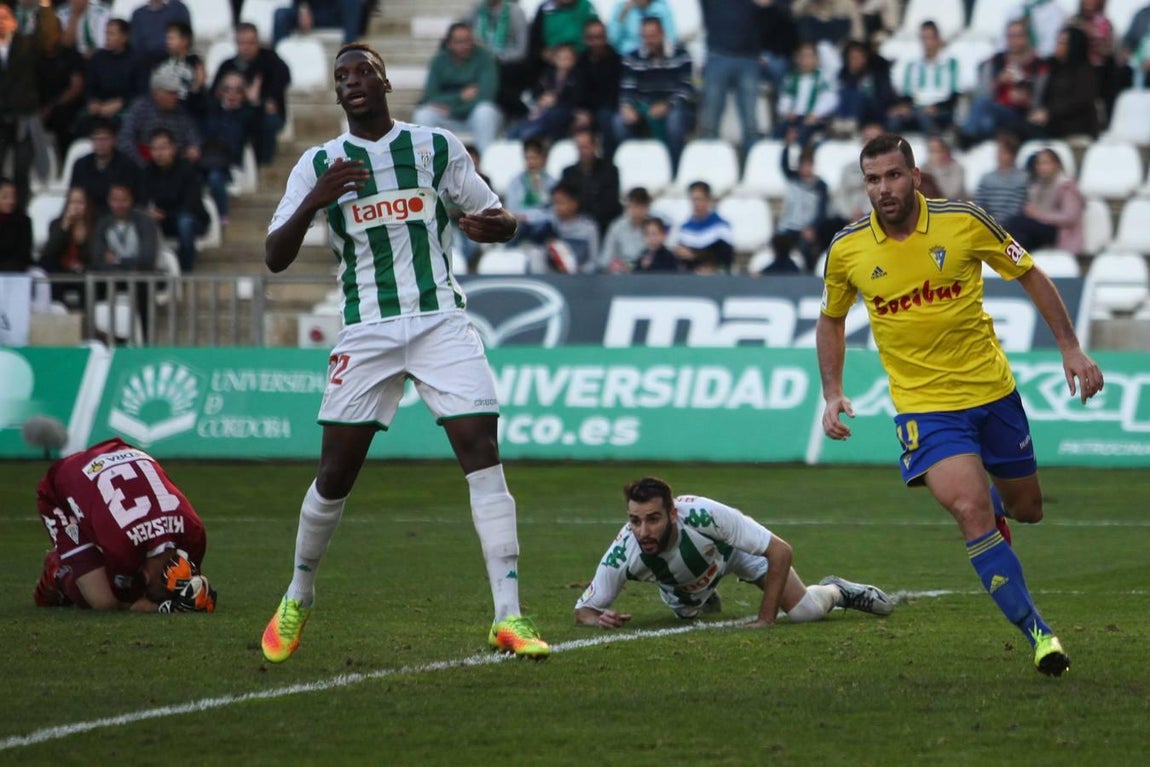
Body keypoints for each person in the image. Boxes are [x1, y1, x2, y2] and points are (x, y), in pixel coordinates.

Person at [261, 42, 549, 662]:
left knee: (483, 453)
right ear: (337, 93)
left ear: (385, 81)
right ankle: (298, 595)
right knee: (335, 474)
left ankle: (509, 615)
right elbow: (274, 256)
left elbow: (493, 215)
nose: (352, 81)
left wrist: (504, 227)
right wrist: (316, 201)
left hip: (440, 320)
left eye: (362, 70)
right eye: (342, 76)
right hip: (366, 330)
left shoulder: (436, 147)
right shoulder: (317, 164)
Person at [816, 132, 1105, 676]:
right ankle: (1040, 635)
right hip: (925, 410)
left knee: (1026, 510)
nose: (883, 189)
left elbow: (1030, 273)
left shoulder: (964, 220)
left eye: (893, 176)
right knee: (970, 512)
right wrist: (832, 391)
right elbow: (831, 318)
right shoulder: (848, 248)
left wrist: (1070, 346)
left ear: (916, 177)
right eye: (872, 179)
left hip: (992, 394)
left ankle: (997, 502)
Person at [574, 477, 894, 628]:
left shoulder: (704, 515)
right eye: (635, 521)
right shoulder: (624, 550)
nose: (643, 531)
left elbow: (780, 551)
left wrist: (766, 619)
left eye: (653, 519)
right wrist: (600, 619)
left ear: (672, 514)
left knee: (806, 613)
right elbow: (584, 610)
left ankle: (836, 590)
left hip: (734, 554)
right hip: (683, 589)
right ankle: (705, 595)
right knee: (687, 615)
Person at [32, 435, 216, 613]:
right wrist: (163, 607)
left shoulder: (194, 534)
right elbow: (130, 603)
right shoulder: (125, 549)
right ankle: (57, 570)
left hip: (122, 457)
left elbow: (184, 583)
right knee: (104, 600)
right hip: (62, 486)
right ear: (143, 575)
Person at [613, 16, 695, 172]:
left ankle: (674, 169)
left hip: (674, 107)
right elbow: (627, 89)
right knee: (619, 121)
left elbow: (686, 90)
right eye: (645, 37)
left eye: (653, 36)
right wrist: (627, 106)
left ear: (662, 33)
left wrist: (667, 105)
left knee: (675, 120)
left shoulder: (681, 56)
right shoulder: (632, 58)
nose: (649, 41)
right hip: (644, 107)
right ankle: (631, 168)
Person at [209, 22, 292, 166]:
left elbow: (283, 80)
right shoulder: (228, 65)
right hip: (233, 115)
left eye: (250, 43)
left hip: (262, 115)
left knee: (267, 121)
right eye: (242, 43)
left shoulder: (271, 61)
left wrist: (262, 100)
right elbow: (214, 93)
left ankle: (264, 165)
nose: (246, 47)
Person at [411, 22, 502, 153]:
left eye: (468, 41)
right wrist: (460, 97)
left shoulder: (485, 58)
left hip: (473, 116)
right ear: (449, 43)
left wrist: (452, 108)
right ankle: (429, 164)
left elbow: (486, 95)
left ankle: (485, 165)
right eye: (459, 42)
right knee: (423, 115)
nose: (465, 46)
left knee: (485, 111)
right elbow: (430, 96)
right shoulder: (439, 61)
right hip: (446, 117)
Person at [959, 20, 1046, 147]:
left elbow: (1042, 98)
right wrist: (998, 82)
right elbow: (982, 93)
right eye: (1011, 36)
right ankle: (974, 141)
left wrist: (1026, 100)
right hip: (995, 111)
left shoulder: (1038, 65)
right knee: (985, 117)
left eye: (1018, 36)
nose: (1014, 40)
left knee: (984, 112)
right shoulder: (995, 62)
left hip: (1021, 116)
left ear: (1027, 37)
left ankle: (967, 139)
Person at [698, 0, 764, 155]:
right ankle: (709, 163)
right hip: (717, 54)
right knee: (711, 118)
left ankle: (753, 164)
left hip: (749, 58)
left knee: (750, 122)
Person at [139, 128, 209, 272]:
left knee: (185, 222)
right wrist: (148, 212)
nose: (159, 153)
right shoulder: (146, 172)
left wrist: (167, 214)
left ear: (173, 148)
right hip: (160, 220)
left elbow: (191, 204)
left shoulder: (187, 170)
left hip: (191, 219)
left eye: (163, 148)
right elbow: (142, 200)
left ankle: (186, 270)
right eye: (155, 149)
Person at [1005, 148, 1084, 253]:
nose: (1041, 167)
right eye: (1039, 164)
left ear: (1057, 164)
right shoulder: (1036, 186)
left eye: (1045, 163)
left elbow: (1069, 217)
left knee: (1019, 224)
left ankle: (1017, 261)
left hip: (1059, 232)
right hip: (1039, 228)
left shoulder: (1066, 186)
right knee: (1014, 223)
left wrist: (1040, 215)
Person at [886, 21, 960, 135]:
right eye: (924, 38)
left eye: (930, 38)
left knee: (925, 118)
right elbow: (907, 96)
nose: (926, 42)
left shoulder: (951, 64)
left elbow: (955, 95)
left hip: (942, 110)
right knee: (894, 120)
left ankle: (935, 146)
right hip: (917, 109)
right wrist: (904, 107)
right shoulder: (913, 66)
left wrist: (937, 108)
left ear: (938, 39)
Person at [1027, 26, 1100, 139]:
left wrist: (1049, 113)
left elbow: (1079, 101)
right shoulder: (1052, 66)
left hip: (1074, 126)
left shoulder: (1085, 71)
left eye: (1063, 42)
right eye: (1058, 41)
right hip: (1048, 123)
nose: (1057, 45)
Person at [118, 68, 202, 166]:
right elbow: (125, 139)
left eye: (176, 93)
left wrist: (194, 148)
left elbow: (193, 138)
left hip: (174, 166)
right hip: (142, 164)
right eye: (170, 93)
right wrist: (142, 164)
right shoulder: (140, 108)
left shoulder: (181, 112)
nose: (175, 97)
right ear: (156, 93)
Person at [464, 0, 532, 119]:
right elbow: (460, 30)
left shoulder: (514, 11)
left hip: (507, 64)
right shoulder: (476, 9)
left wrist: (499, 56)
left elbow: (521, 50)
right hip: (479, 62)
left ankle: (517, 114)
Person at [68, 117, 143, 219]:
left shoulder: (127, 165)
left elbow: (135, 198)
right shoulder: (81, 164)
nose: (100, 143)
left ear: (114, 140)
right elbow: (74, 193)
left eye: (105, 139)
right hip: (87, 217)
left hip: (117, 217)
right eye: (96, 139)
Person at [775, 140, 830, 272]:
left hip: (806, 228)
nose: (805, 169)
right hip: (789, 226)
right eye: (803, 166)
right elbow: (783, 165)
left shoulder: (820, 186)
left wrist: (812, 228)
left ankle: (806, 274)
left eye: (808, 165)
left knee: (806, 246)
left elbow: (822, 211)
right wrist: (787, 146)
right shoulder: (793, 179)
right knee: (779, 242)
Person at [40, 186, 97, 308]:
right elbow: (49, 253)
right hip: (62, 271)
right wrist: (64, 227)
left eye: (80, 202)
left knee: (87, 283)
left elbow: (95, 254)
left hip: (85, 273)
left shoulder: (94, 225)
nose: (76, 207)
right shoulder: (56, 224)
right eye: (72, 202)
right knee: (54, 278)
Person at [558, 127, 621, 237]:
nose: (582, 151)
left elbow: (611, 204)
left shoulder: (610, 171)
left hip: (603, 225)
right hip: (574, 224)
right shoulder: (568, 173)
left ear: (594, 147)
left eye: (585, 147)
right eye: (579, 147)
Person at [774, 42, 837, 148]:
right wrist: (787, 111)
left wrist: (816, 114)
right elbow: (784, 99)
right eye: (802, 56)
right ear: (797, 59)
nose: (805, 60)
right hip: (794, 117)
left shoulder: (822, 78)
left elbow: (830, 99)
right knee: (779, 131)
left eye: (809, 56)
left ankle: (798, 157)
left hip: (813, 119)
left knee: (803, 132)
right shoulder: (791, 79)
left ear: (816, 59)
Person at [675, 181, 733, 273]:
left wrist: (694, 256)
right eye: (694, 200)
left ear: (708, 200)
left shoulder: (721, 226)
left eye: (700, 199)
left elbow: (725, 256)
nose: (696, 204)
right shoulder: (685, 229)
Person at [974, 130, 1029, 225]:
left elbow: (1017, 206)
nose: (999, 155)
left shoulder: (1022, 178)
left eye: (1004, 152)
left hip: (1012, 225)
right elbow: (980, 204)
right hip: (988, 224)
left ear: (1013, 155)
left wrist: (1000, 223)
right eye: (999, 151)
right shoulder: (986, 178)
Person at [600, 186, 652, 272]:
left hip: (647, 276)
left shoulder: (653, 227)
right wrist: (614, 265)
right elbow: (605, 259)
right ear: (628, 206)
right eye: (635, 206)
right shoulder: (617, 227)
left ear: (648, 208)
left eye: (642, 207)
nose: (638, 211)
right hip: (621, 276)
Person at [272, 0, 366, 47]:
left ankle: (349, 49)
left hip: (336, 13)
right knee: (280, 14)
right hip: (312, 12)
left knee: (353, 2)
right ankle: (279, 57)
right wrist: (303, 8)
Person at [0, 178, 33, 272]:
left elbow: (24, 252)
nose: (10, 201)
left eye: (13, 197)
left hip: (15, 268)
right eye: (5, 197)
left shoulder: (23, 221)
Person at [920, 135, 965, 200]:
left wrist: (936, 171)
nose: (933, 155)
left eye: (936, 151)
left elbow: (951, 194)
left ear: (945, 152)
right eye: (930, 151)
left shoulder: (956, 168)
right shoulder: (924, 168)